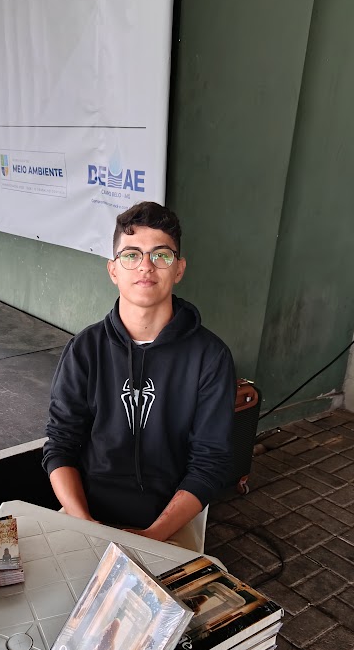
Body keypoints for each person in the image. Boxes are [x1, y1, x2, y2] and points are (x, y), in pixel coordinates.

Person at [42, 201, 236, 547]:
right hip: (86, 512)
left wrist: (152, 536)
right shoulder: (85, 348)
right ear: (113, 270)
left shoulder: (211, 356)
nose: (146, 266)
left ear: (179, 269)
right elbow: (60, 445)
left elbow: (210, 463)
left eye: (161, 255)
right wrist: (86, 523)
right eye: (131, 255)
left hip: (168, 521)